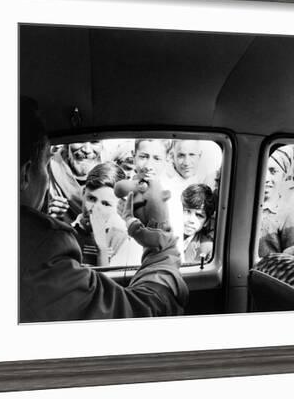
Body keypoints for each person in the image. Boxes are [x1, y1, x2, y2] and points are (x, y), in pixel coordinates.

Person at [19, 98, 188, 322]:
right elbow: (143, 316)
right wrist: (160, 246)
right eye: (44, 165)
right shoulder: (42, 250)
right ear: (25, 174)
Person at [79, 161, 142, 267]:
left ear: (119, 205)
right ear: (83, 193)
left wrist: (102, 249)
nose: (95, 209)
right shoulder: (66, 232)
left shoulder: (123, 240)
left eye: (106, 204)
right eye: (91, 198)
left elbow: (110, 283)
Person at [258, 147, 294, 257]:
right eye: (261, 170)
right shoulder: (243, 205)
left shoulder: (288, 212)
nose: (266, 177)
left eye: (273, 171)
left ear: (283, 176)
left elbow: (293, 261)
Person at [47, 140, 103, 224]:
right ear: (67, 143)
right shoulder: (49, 167)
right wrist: (46, 217)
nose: (87, 150)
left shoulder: (108, 170)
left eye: (94, 142)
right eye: (80, 140)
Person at [181, 184, 216, 263]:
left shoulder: (207, 248)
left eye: (199, 215)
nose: (191, 220)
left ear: (206, 222)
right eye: (187, 211)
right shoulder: (162, 237)